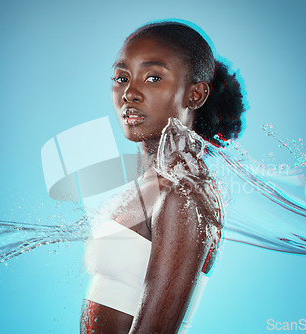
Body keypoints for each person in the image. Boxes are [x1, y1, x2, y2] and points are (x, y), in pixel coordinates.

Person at [80, 21, 246, 333]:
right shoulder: (149, 182)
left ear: (195, 94)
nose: (129, 93)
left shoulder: (183, 192)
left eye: (153, 77)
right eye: (121, 78)